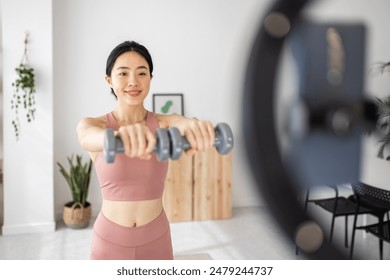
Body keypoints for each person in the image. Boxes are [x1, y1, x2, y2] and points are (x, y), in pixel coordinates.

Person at [76, 40, 215, 260]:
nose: (133, 81)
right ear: (109, 80)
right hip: (109, 241)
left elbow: (183, 123)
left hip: (156, 238)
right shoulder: (95, 125)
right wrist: (117, 137)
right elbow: (86, 137)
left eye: (142, 73)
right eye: (123, 73)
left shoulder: (163, 122)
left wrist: (195, 127)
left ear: (150, 77)